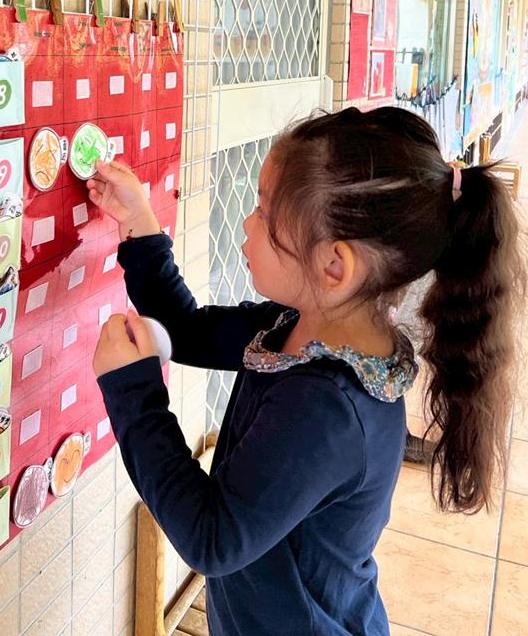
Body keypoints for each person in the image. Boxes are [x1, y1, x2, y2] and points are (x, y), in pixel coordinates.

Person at [86, 107, 523, 636]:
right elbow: (188, 328)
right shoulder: (298, 326)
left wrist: (134, 393)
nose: (247, 224)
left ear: (334, 266)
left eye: (265, 214)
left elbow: (211, 538)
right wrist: (139, 225)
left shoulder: (327, 411)